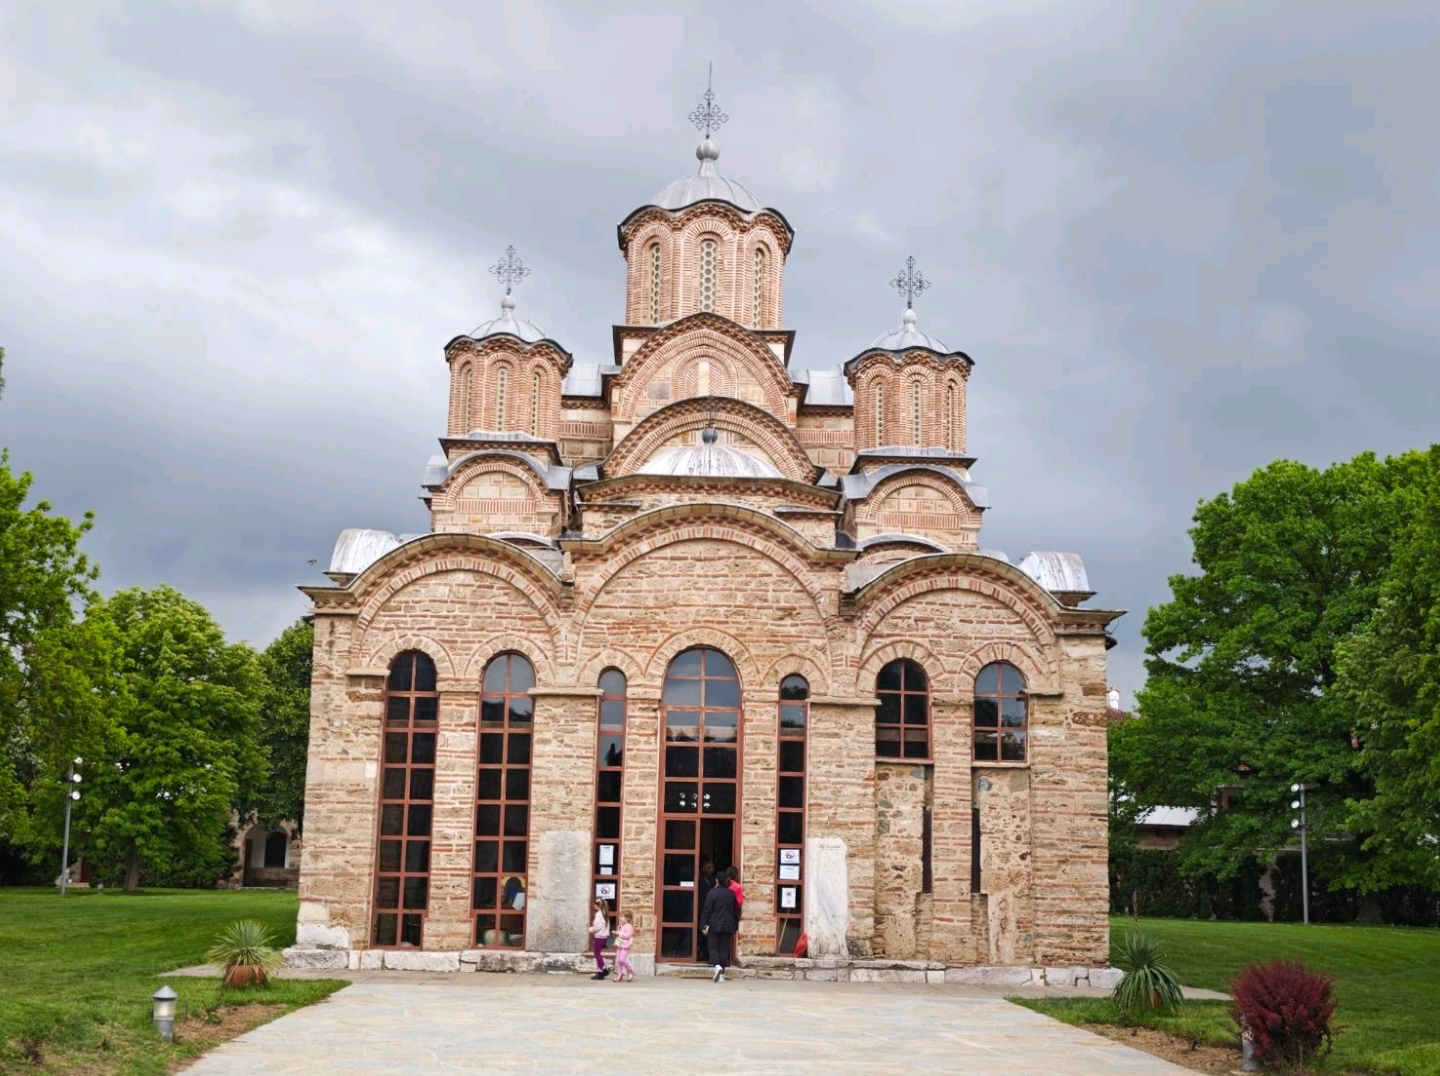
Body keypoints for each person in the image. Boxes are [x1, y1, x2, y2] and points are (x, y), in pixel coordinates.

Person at [700, 873, 739, 983]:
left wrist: (703, 924)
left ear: (716, 881)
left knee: (713, 946)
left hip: (715, 924)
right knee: (724, 948)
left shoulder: (712, 893)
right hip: (728, 924)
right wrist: (735, 926)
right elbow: (736, 911)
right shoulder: (731, 893)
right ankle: (721, 973)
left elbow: (707, 910)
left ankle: (717, 966)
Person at [587, 898, 611, 980]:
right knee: (598, 954)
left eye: (594, 905)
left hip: (599, 936)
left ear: (597, 905)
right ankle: (604, 970)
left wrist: (590, 929)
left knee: (597, 954)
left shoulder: (599, 914)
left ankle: (601, 971)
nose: (593, 906)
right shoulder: (605, 913)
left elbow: (597, 926)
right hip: (603, 937)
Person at [613, 910, 635, 982]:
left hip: (625, 945)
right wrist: (616, 942)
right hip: (620, 944)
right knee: (618, 961)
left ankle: (630, 970)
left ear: (627, 918)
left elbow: (628, 935)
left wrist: (618, 933)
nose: (620, 918)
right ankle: (620, 974)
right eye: (620, 917)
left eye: (622, 917)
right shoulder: (621, 926)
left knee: (622, 960)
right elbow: (619, 936)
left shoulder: (629, 926)